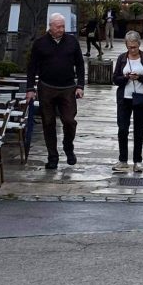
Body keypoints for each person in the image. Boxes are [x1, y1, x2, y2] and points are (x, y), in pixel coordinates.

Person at [24, 14, 85, 170]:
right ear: (50, 27)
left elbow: (80, 64)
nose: (61, 30)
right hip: (47, 87)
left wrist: (80, 86)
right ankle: (52, 156)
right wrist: (30, 88)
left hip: (68, 87)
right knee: (48, 122)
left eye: (63, 26)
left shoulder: (72, 42)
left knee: (69, 120)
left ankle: (68, 146)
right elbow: (31, 68)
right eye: (58, 27)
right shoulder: (40, 43)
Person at [114, 29, 143, 171]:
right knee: (122, 129)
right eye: (129, 47)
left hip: (141, 98)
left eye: (135, 47)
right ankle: (123, 160)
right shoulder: (121, 59)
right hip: (124, 98)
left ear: (139, 44)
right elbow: (115, 79)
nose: (132, 50)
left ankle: (137, 161)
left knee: (139, 131)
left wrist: (140, 77)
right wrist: (126, 77)